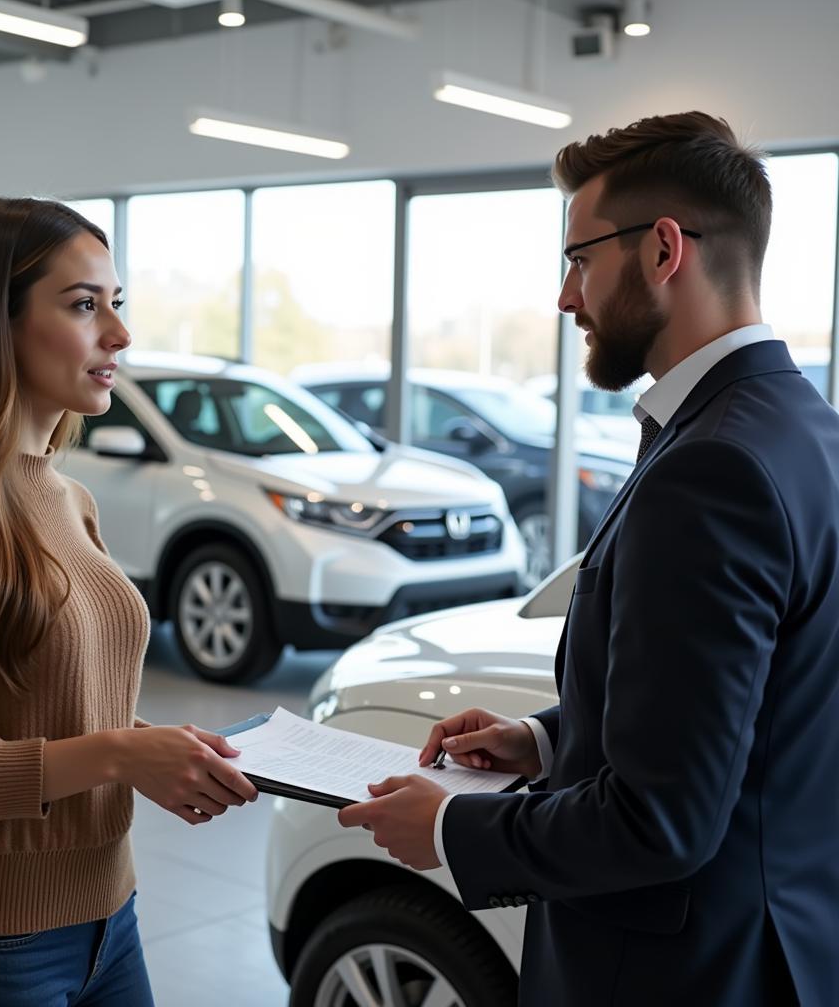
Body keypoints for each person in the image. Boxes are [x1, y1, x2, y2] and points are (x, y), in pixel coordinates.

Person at [338, 111, 839, 1006]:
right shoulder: (804, 433)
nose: (566, 298)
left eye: (578, 259)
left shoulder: (712, 467)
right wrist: (543, 739)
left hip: (677, 972)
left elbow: (664, 820)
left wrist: (454, 829)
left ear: (663, 251)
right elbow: (752, 717)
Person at [0, 198, 258, 1007]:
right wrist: (117, 756)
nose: (118, 335)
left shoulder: (69, 499)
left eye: (116, 303)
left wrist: (157, 749)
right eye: (82, 305)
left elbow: (48, 708)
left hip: (113, 923)